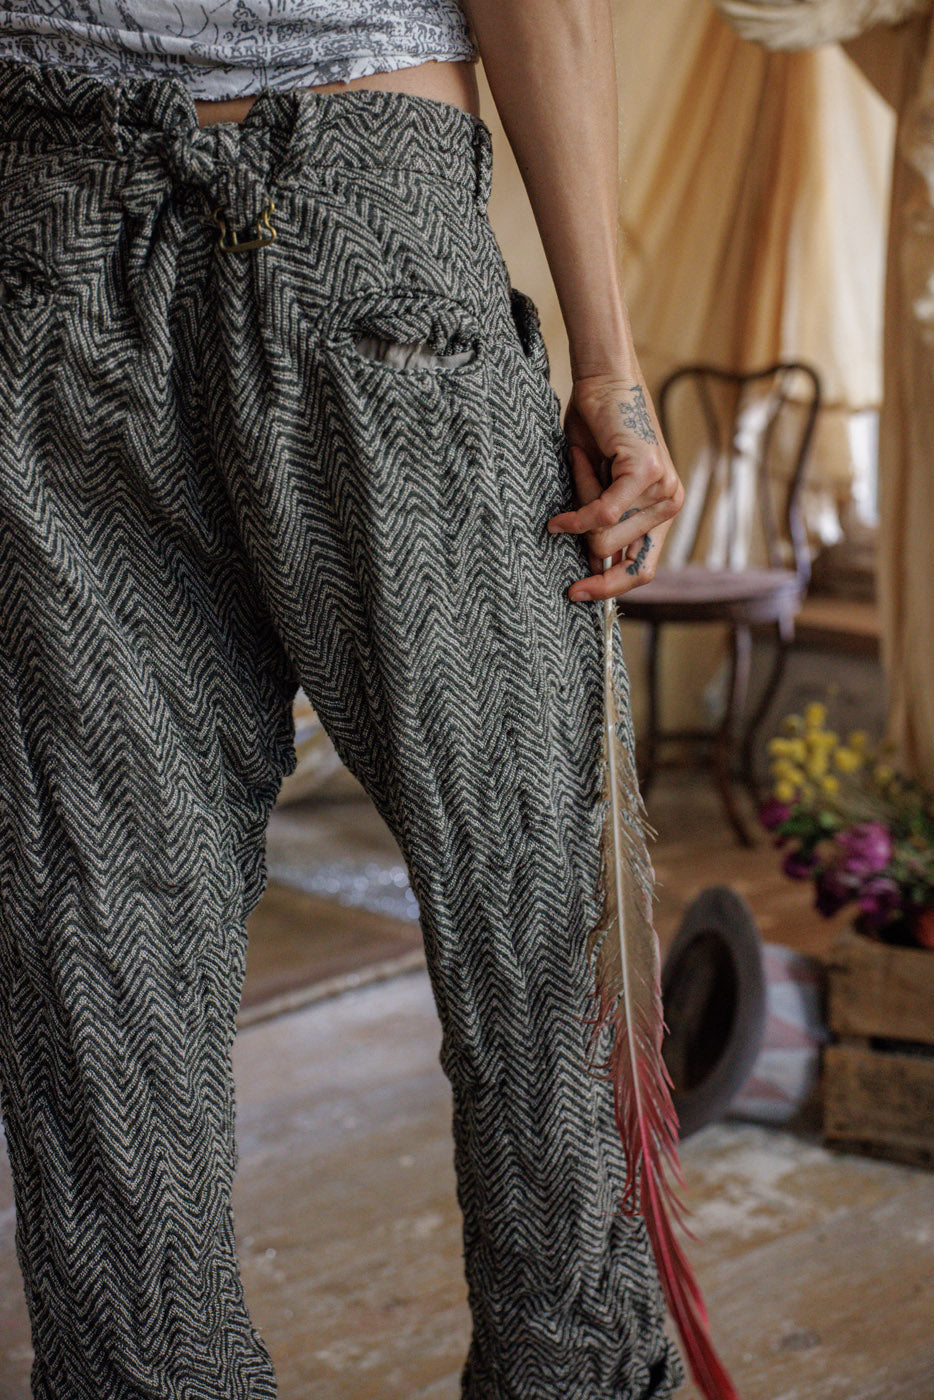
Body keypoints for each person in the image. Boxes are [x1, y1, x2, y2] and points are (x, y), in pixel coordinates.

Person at [0, 1, 685, 1397]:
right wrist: (609, 363)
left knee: (96, 914)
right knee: (527, 888)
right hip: (366, 222)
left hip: (40, 228)